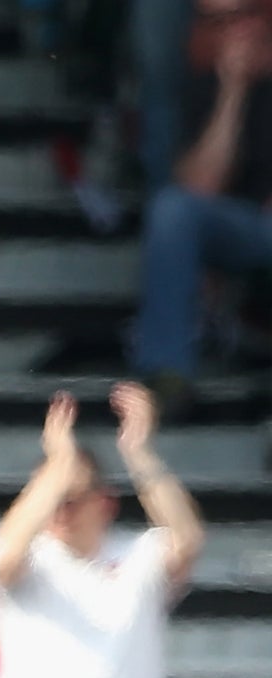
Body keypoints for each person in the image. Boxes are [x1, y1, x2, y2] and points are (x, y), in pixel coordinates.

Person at [0, 386, 203, 678]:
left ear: (105, 502)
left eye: (72, 497)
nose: (59, 508)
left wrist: (138, 451)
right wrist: (58, 464)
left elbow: (187, 538)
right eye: (52, 497)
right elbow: (5, 558)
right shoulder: (24, 558)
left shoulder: (140, 554)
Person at [133, 0, 272, 409]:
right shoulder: (207, 79)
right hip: (248, 227)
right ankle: (169, 375)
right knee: (172, 210)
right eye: (215, 22)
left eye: (238, 17)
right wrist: (232, 94)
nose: (231, 32)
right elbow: (197, 188)